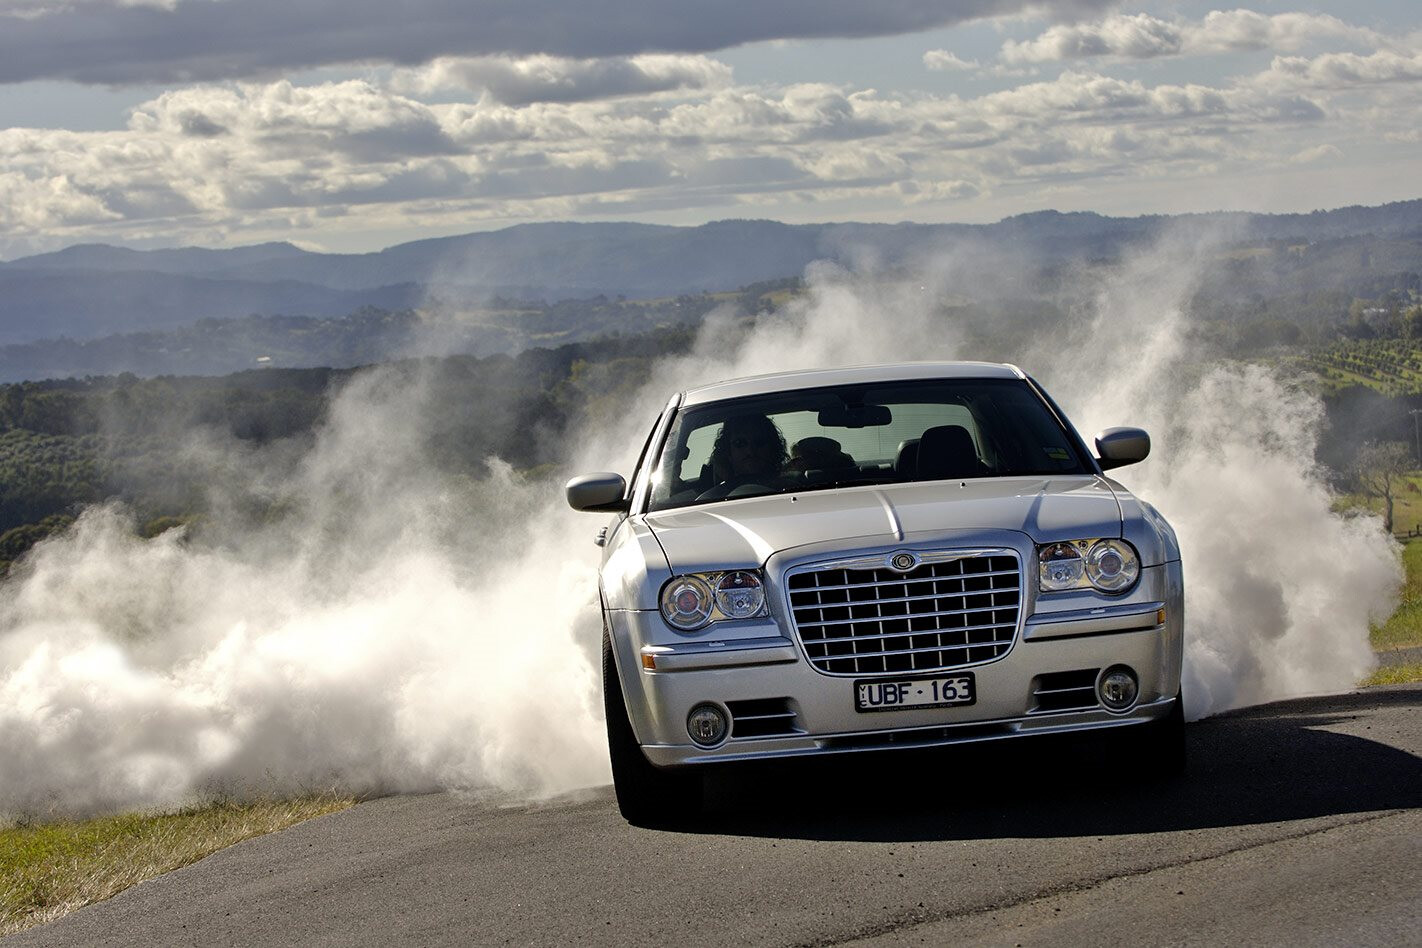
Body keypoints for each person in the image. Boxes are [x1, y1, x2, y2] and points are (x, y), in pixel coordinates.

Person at [708, 414, 788, 484]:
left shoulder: (793, 491)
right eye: (740, 443)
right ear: (727, 451)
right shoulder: (713, 499)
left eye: (759, 442)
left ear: (772, 448)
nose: (750, 451)